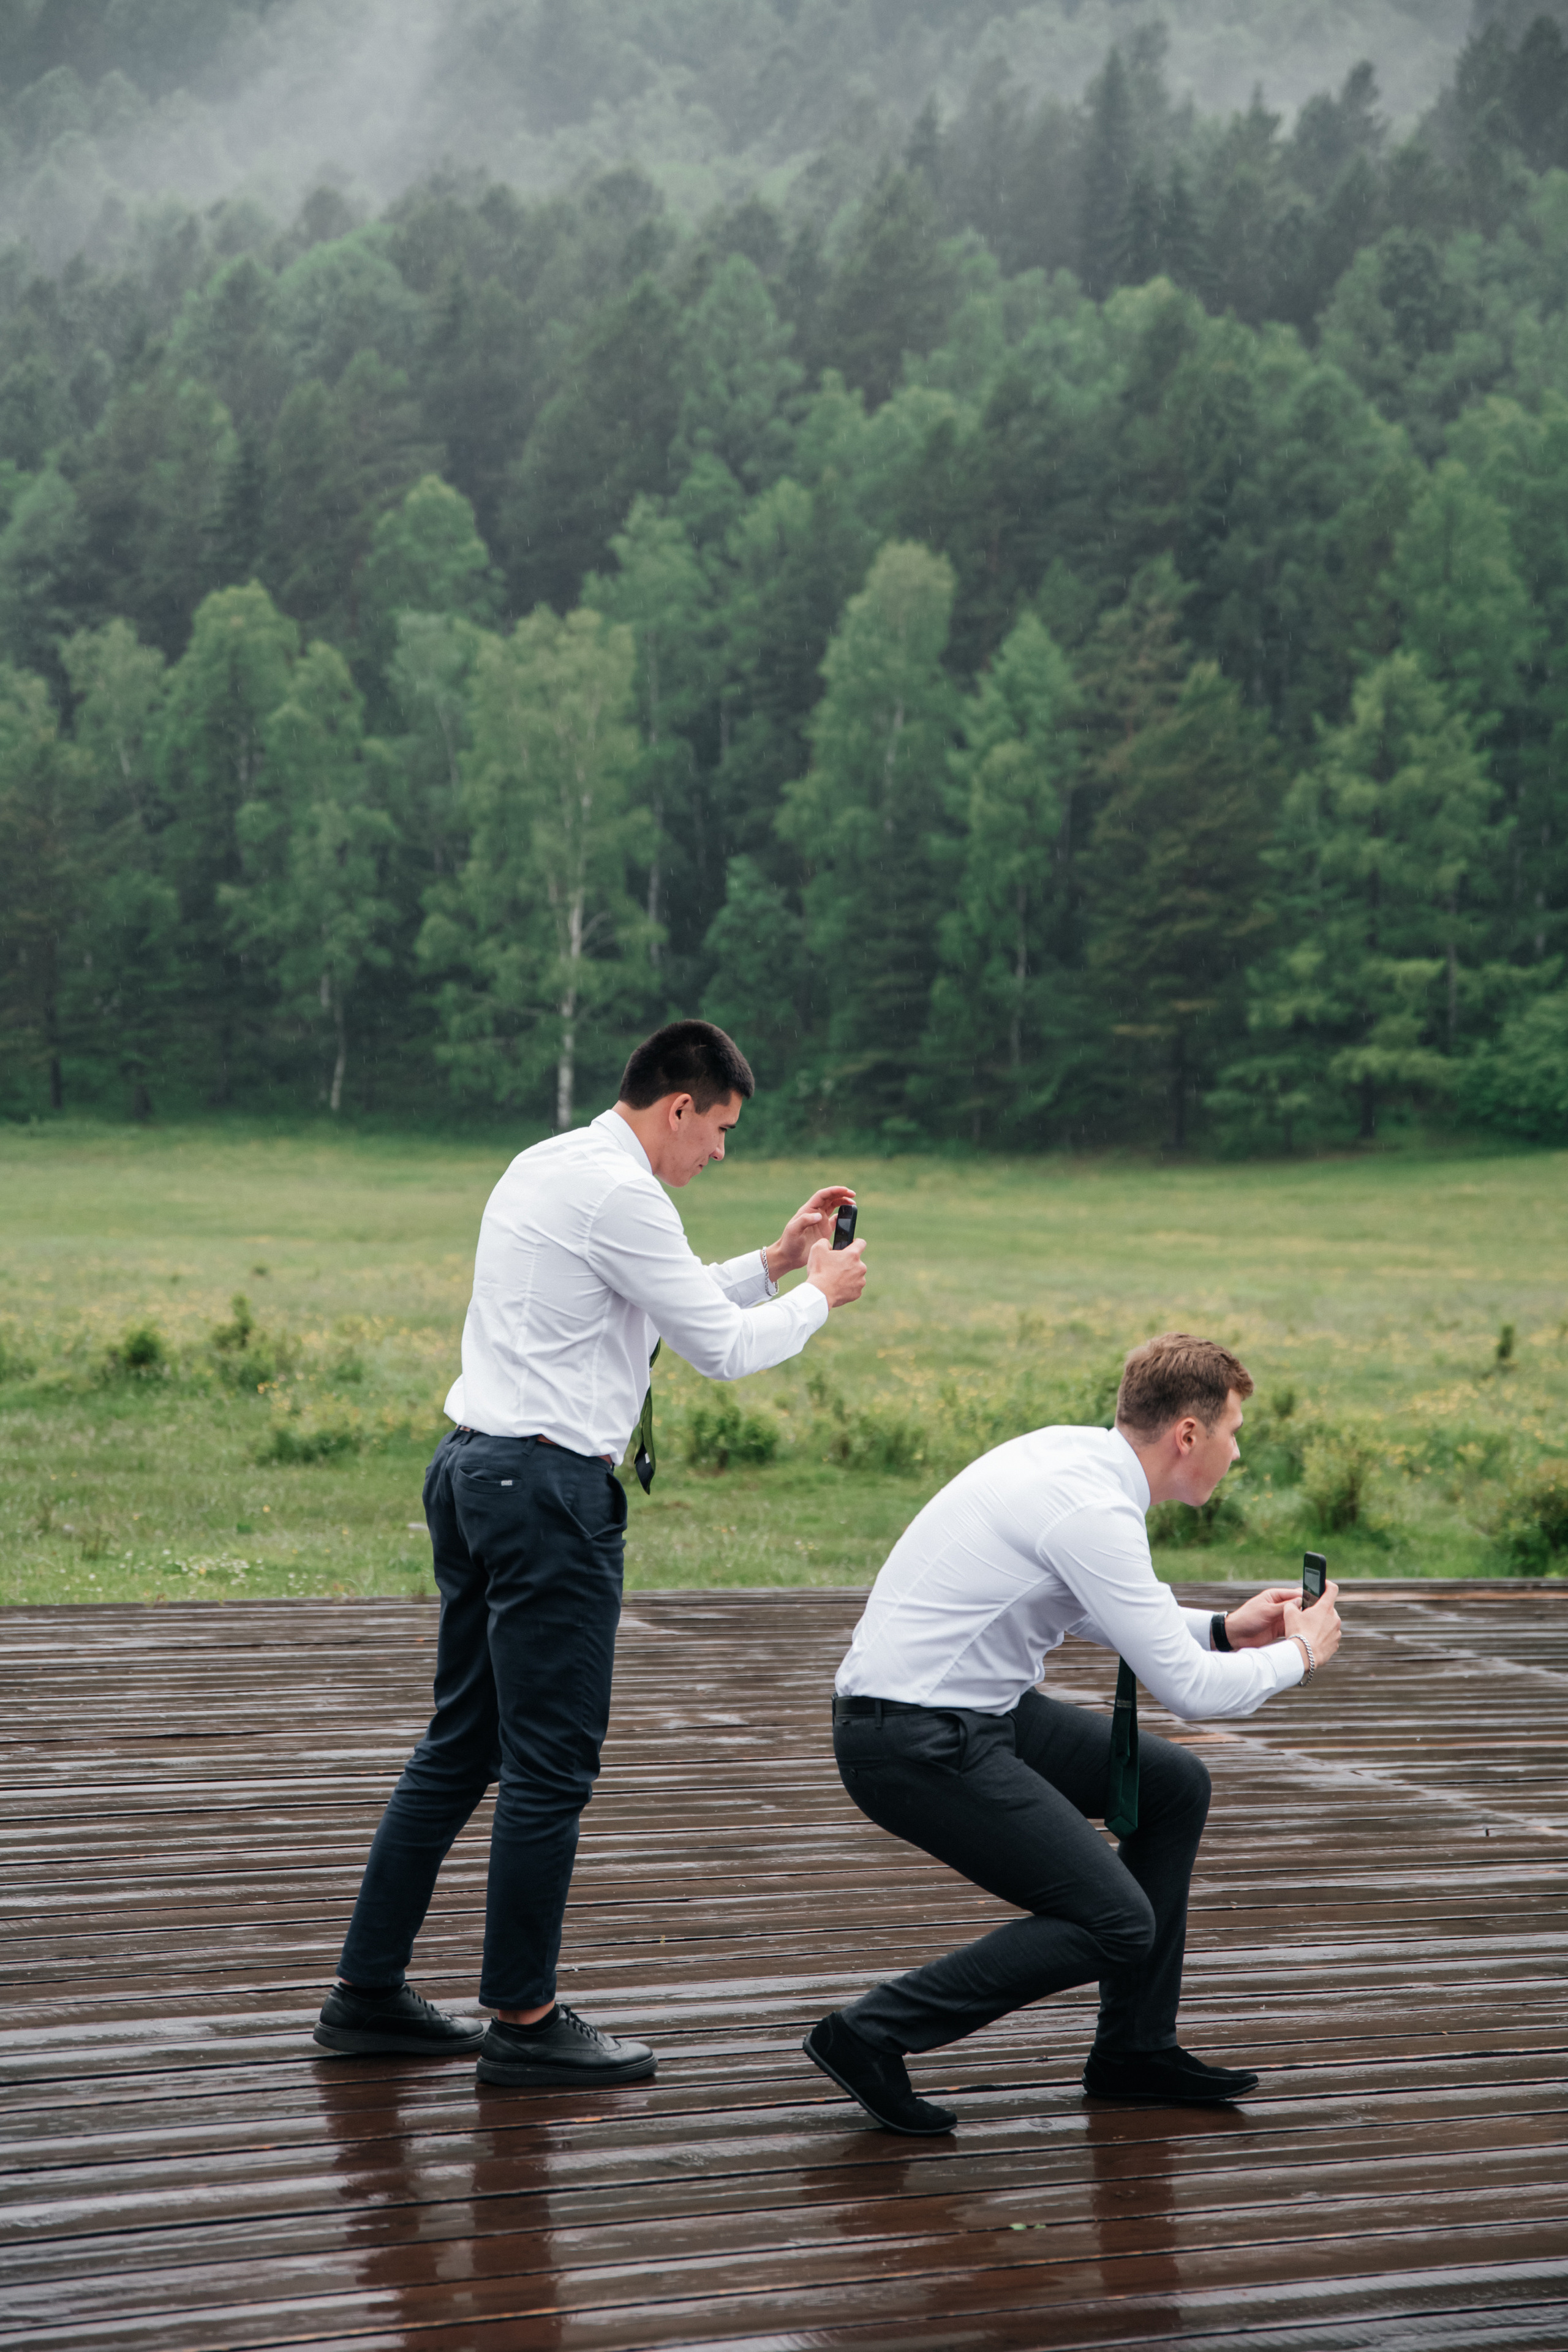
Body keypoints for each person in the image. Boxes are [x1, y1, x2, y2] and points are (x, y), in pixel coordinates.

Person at [315, 1019, 866, 2089]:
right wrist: (820, 1296)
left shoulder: (552, 1164)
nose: (722, 1152)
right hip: (546, 1494)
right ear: (679, 1107)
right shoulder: (624, 1194)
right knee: (550, 1764)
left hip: (473, 1470)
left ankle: (366, 1995)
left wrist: (773, 1262)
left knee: (459, 1747)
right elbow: (719, 1348)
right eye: (721, 1129)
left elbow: (666, 1297)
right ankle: (524, 2020)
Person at [804, 1331, 1343, 2135]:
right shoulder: (1093, 1509)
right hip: (912, 1742)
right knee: (1114, 1920)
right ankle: (868, 2034)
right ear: (1187, 1434)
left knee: (1172, 1786)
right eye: (1233, 1432)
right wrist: (1301, 1655)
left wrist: (1223, 1630)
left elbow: (1092, 1603)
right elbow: (1191, 1693)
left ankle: (1135, 2051)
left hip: (965, 1712)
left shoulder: (1071, 1460)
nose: (1237, 1452)